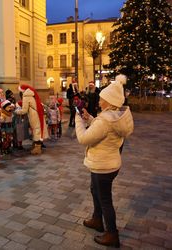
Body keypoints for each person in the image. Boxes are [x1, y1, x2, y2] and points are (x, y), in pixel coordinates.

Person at [75, 74, 134, 248]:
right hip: (108, 163)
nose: (99, 101)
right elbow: (104, 130)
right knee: (95, 190)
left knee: (105, 199)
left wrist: (79, 119)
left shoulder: (105, 120)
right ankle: (96, 219)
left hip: (103, 165)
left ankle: (112, 234)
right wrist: (90, 119)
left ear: (108, 102)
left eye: (101, 99)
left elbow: (84, 139)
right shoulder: (113, 117)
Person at [15, 84, 48, 155]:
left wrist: (16, 111)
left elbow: (24, 110)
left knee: (36, 130)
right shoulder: (32, 95)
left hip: (34, 116)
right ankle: (37, 146)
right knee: (38, 129)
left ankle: (37, 148)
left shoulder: (26, 97)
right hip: (38, 115)